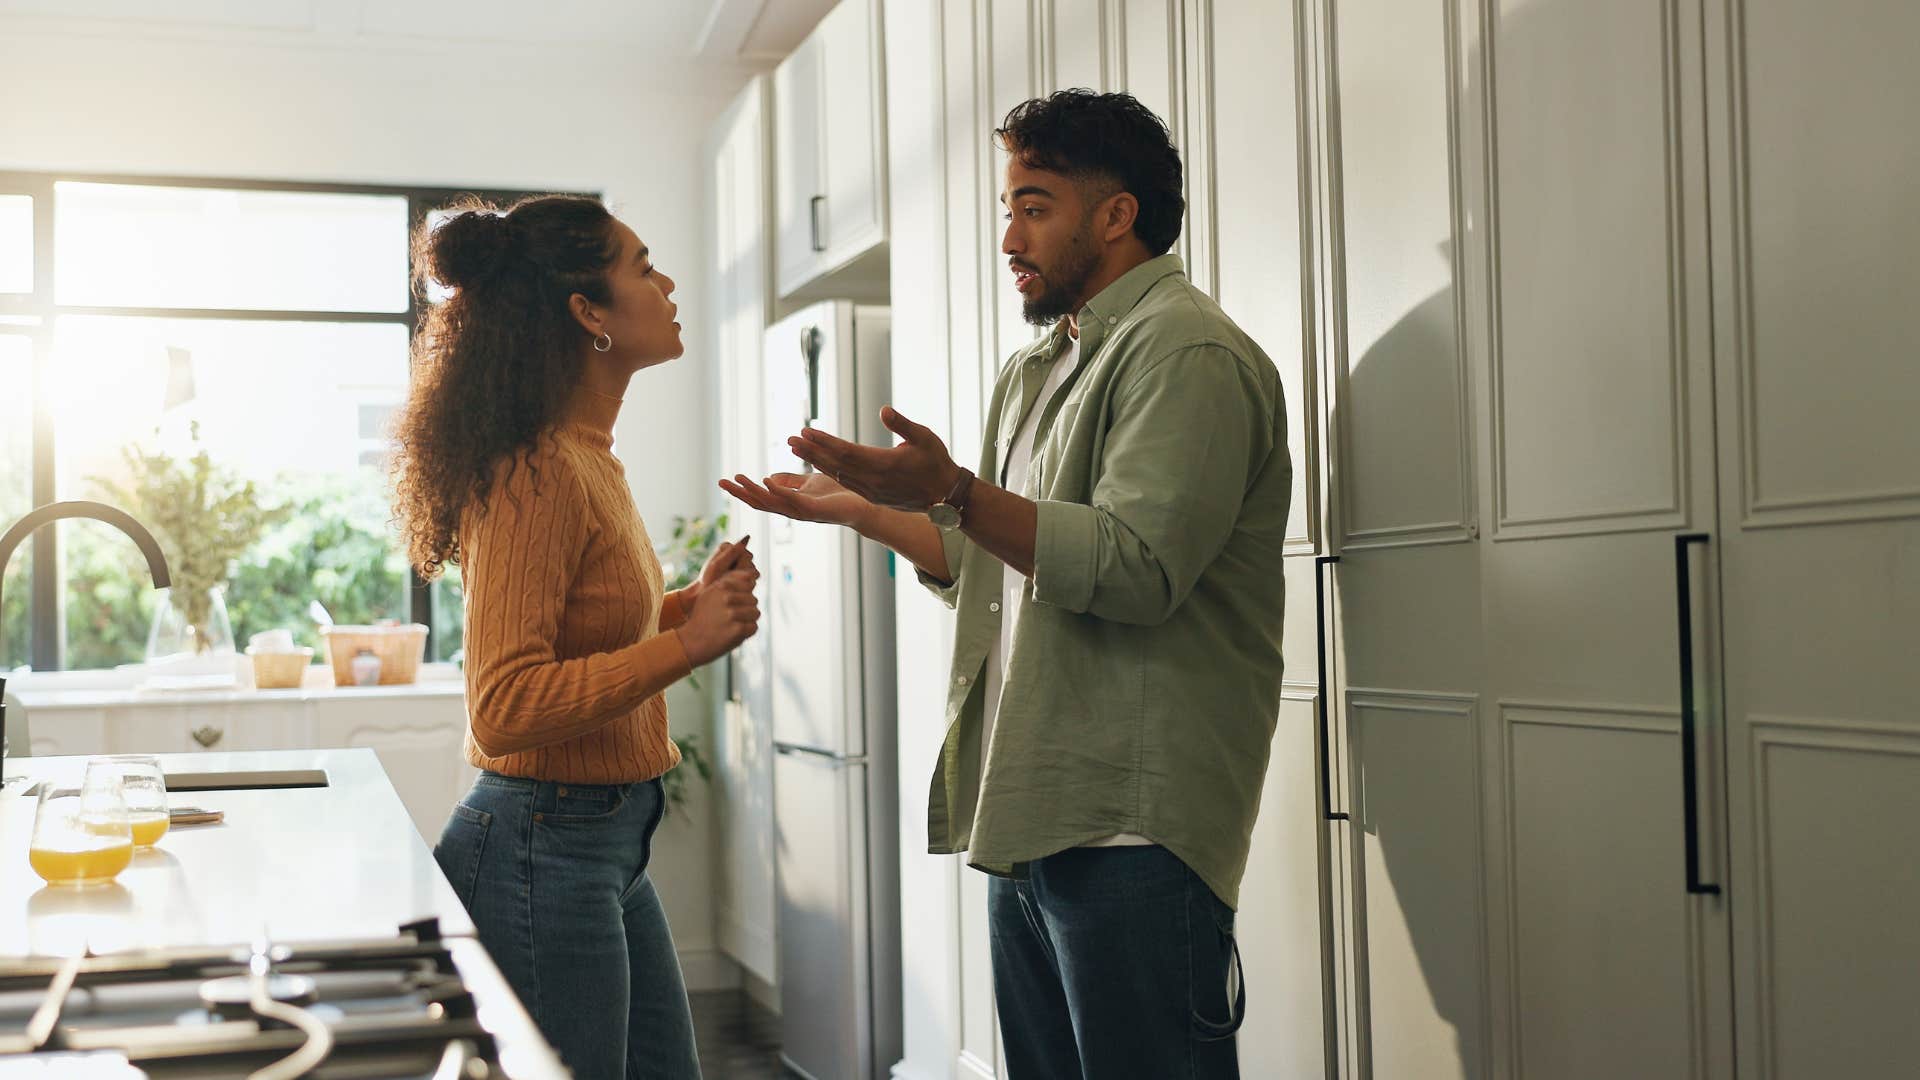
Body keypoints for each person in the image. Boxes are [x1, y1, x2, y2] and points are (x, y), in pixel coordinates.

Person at [723, 89, 1290, 1079]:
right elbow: (1000, 567)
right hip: (1033, 807)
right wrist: (865, 511)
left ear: (1116, 215)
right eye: (1007, 207)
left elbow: (1136, 569)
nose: (1008, 238)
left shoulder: (1186, 352)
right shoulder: (1041, 367)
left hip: (1137, 827)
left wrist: (949, 487)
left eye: (1034, 205)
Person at [392, 193, 758, 1080]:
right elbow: (507, 703)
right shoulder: (540, 470)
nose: (667, 283)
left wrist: (681, 608)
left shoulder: (584, 453)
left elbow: (584, 630)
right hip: (538, 846)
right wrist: (685, 646)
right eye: (642, 267)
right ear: (588, 314)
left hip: (598, 842)